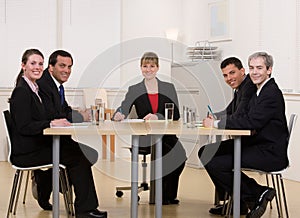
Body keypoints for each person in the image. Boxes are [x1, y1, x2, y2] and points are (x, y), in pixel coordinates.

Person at [200, 51, 289, 218]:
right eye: (252, 68)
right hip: (257, 144)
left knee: (217, 163)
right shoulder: (259, 90)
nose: (254, 72)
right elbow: (245, 117)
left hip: (268, 151)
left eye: (259, 68)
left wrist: (217, 123)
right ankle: (241, 199)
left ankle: (257, 194)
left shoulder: (269, 93)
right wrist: (219, 119)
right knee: (207, 153)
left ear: (269, 70)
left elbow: (249, 121)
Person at [33, 49, 106, 218]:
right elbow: (54, 115)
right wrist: (81, 116)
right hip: (43, 141)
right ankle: (85, 210)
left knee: (88, 154)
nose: (67, 70)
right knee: (80, 158)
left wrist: (81, 115)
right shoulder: (43, 85)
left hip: (55, 138)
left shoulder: (55, 85)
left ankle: (44, 181)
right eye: (62, 66)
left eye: (70, 67)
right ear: (51, 67)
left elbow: (63, 109)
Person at [112, 51, 186, 205]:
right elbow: (124, 108)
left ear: (157, 68)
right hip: (145, 135)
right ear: (141, 68)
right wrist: (119, 114)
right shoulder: (135, 89)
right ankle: (158, 196)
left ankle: (168, 195)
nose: (148, 69)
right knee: (163, 152)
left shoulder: (168, 87)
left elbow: (176, 113)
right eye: (145, 66)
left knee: (180, 156)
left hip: (165, 134)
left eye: (152, 66)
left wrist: (157, 117)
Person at [198, 57, 257, 215]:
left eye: (232, 73)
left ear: (242, 71)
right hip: (244, 139)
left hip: (252, 143)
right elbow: (229, 111)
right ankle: (235, 199)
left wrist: (217, 121)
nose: (229, 78)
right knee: (205, 152)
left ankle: (243, 198)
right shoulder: (240, 89)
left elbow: (238, 116)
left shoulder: (249, 87)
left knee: (212, 158)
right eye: (225, 75)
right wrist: (214, 117)